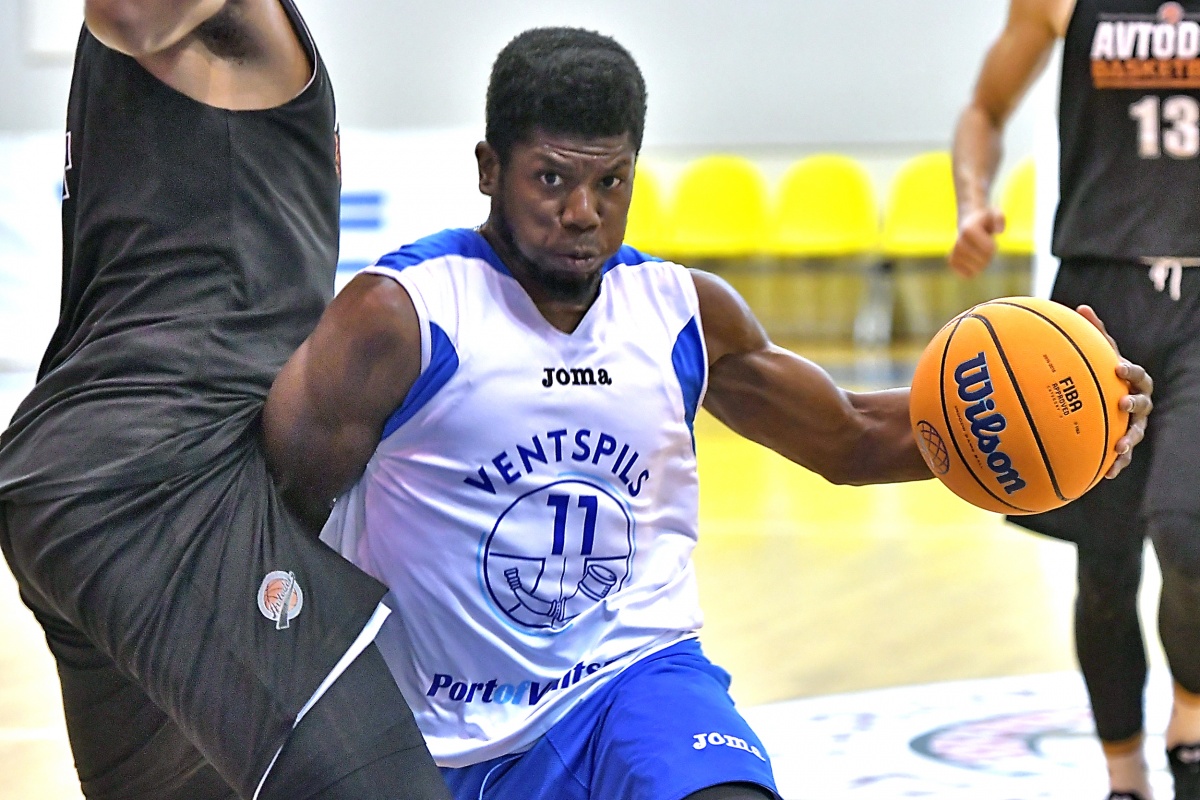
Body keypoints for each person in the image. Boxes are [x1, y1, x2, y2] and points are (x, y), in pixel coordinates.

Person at [262, 25, 1151, 800]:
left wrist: (1059, 427)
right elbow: (268, 516)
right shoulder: (401, 318)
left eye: (611, 182)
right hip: (423, 723)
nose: (583, 213)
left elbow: (849, 437)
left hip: (630, 683)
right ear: (489, 169)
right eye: (551, 179)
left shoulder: (681, 314)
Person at [0, 2, 452, 799]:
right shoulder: (218, 31)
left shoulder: (205, 53)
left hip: (92, 484)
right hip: (159, 482)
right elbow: (130, 13)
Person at [949, 1, 1200, 798]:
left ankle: (1191, 719)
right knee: (1105, 568)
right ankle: (1124, 777)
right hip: (1098, 300)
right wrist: (971, 199)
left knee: (1188, 535)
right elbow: (985, 109)